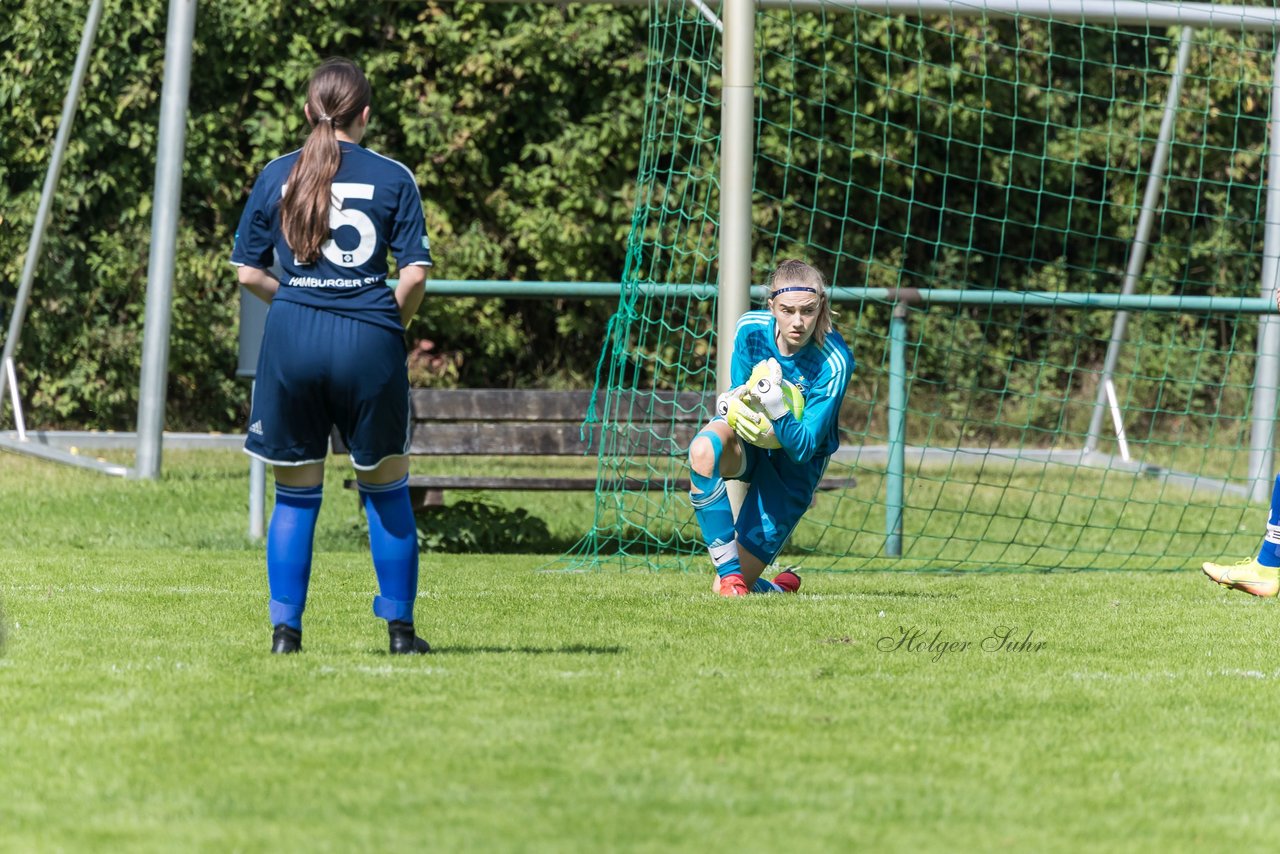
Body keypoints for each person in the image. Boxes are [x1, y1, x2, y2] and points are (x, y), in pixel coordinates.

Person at [231, 57, 433, 653]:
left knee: (295, 496)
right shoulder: (394, 176)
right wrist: (380, 322)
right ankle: (401, 633)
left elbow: (248, 273)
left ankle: (285, 635)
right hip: (369, 340)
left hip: (292, 337)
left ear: (306, 111)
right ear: (365, 115)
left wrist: (295, 299)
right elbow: (415, 276)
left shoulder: (277, 173)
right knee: (386, 488)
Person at [687, 259, 853, 596]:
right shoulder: (749, 329)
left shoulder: (835, 360)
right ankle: (733, 577)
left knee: (722, 591)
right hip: (750, 443)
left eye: (807, 311)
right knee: (703, 450)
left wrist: (776, 406)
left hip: (793, 468)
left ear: (821, 306)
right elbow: (741, 394)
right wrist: (733, 402)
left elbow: (804, 446)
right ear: (771, 307)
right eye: (787, 310)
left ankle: (771, 587)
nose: (797, 322)